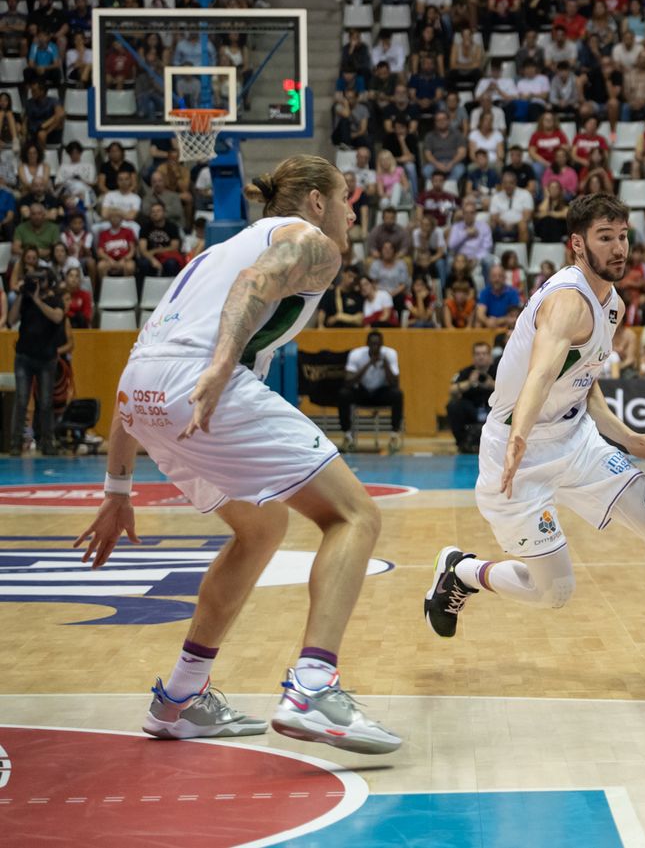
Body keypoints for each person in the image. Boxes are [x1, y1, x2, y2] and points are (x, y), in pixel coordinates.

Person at [75, 156, 400, 754]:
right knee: (355, 516)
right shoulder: (312, 241)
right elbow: (257, 287)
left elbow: (139, 362)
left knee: (261, 526)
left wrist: (116, 488)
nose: (354, 211)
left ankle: (179, 698)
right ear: (317, 203)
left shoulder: (208, 256)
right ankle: (312, 686)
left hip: (143, 393)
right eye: (347, 198)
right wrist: (224, 362)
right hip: (202, 384)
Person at [422, 193, 645, 677]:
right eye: (606, 238)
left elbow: (583, 379)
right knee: (554, 592)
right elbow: (540, 374)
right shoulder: (566, 303)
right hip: (518, 451)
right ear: (578, 244)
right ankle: (463, 572)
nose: (620, 248)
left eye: (623, 237)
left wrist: (624, 434)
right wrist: (517, 440)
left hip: (576, 441)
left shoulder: (612, 304)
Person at [9, 264, 66, 455]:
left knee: (46, 402)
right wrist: (20, 294)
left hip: (46, 358)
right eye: (35, 281)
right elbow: (11, 319)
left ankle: (46, 441)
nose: (38, 284)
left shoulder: (55, 300)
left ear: (49, 282)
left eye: (41, 280)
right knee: (21, 399)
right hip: (24, 356)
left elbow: (57, 318)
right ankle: (16, 442)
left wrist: (37, 300)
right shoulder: (25, 299)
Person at [341, 330, 404, 451]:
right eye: (372, 344)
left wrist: (385, 364)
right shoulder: (356, 354)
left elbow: (395, 383)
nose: (375, 347)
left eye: (378, 344)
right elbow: (348, 382)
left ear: (382, 345)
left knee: (398, 394)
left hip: (381, 392)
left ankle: (394, 436)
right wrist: (369, 364)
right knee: (344, 394)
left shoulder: (390, 354)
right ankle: (347, 436)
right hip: (363, 391)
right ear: (367, 344)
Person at [447, 341, 498, 453]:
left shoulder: (498, 371)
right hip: (472, 410)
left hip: (492, 409)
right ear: (473, 356)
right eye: (478, 354)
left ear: (489, 356)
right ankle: (462, 443)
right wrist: (469, 383)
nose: (481, 357)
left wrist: (491, 385)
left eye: (484, 354)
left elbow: (509, 389)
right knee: (453, 405)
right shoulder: (466, 372)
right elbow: (452, 389)